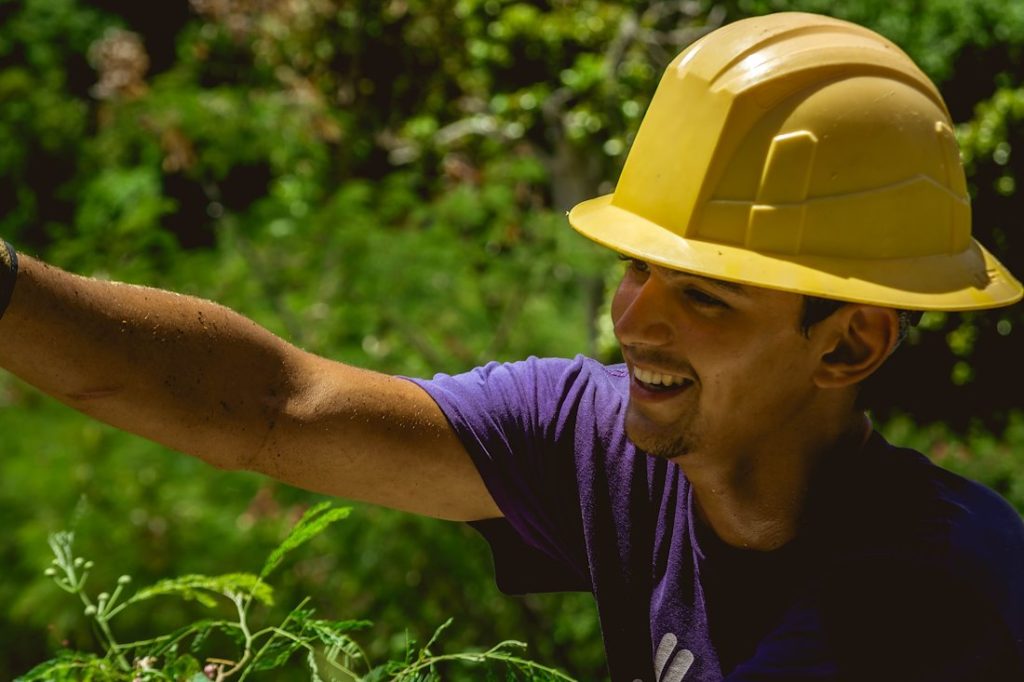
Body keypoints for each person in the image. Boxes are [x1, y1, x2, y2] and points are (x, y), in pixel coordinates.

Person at [1, 11, 1022, 681]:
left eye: (704, 298)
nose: (635, 319)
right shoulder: (610, 446)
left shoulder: (929, 597)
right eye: (636, 268)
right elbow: (274, 405)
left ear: (847, 347)